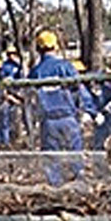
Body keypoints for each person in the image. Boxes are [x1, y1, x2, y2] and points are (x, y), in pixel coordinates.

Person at [28, 30, 94, 183]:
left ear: (38, 49)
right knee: (75, 154)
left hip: (48, 121)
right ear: (55, 47)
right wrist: (90, 111)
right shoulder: (66, 67)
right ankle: (79, 184)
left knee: (51, 159)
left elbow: (30, 99)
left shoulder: (35, 72)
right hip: (69, 118)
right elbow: (80, 90)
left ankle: (55, 189)